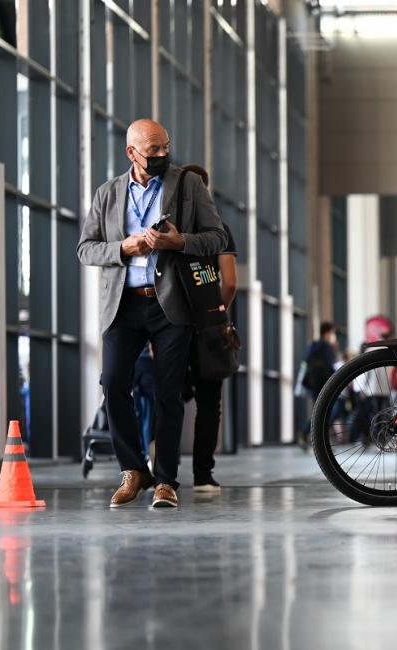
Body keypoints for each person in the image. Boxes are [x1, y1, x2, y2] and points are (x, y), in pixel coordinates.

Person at [77, 118, 227, 508]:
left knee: (169, 392)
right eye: (153, 150)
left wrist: (180, 241)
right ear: (132, 153)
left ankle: (166, 480)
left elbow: (218, 237)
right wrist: (123, 249)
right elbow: (85, 248)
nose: (162, 155)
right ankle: (133, 470)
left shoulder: (189, 185)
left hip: (170, 304)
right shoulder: (107, 194)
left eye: (165, 147)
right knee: (113, 383)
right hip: (123, 305)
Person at [180, 164, 238, 494]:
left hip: (172, 325)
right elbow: (229, 282)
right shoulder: (220, 230)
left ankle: (163, 474)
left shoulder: (166, 230)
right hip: (210, 325)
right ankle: (203, 475)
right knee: (209, 403)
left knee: (167, 399)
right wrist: (216, 314)